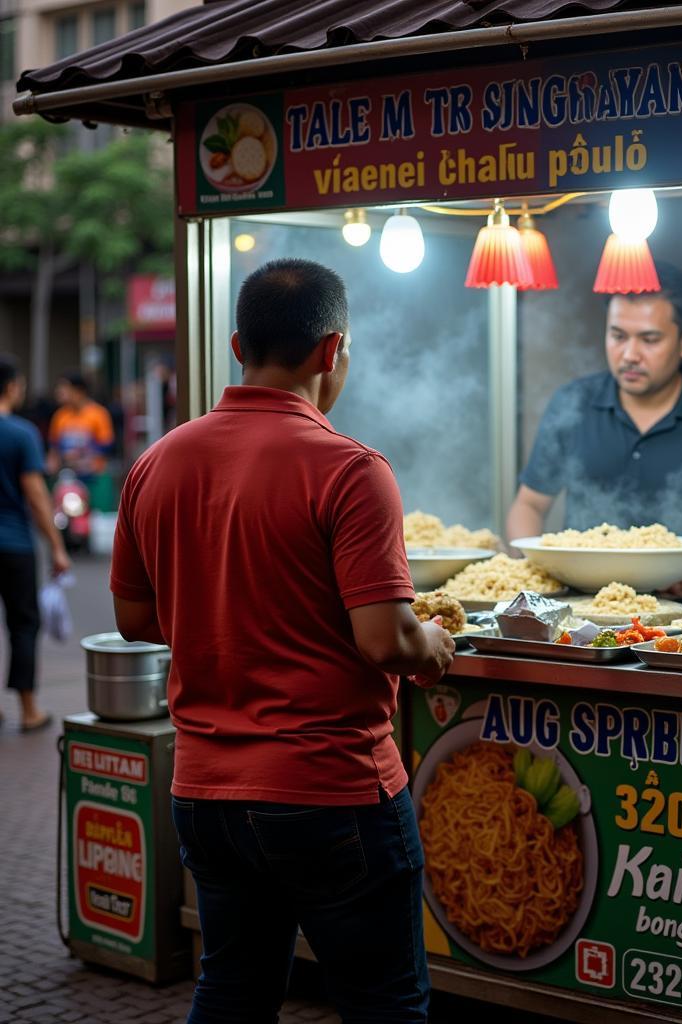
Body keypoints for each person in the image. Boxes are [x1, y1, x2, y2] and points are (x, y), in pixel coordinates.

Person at [110, 259, 454, 1023]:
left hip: (204, 794)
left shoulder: (155, 464)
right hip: (330, 790)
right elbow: (386, 642)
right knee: (384, 1004)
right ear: (333, 351)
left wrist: (231, 618)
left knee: (232, 989)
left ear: (237, 344)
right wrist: (431, 639)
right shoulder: (350, 468)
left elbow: (137, 619)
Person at [507, 262, 682, 601]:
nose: (630, 355)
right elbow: (529, 504)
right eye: (618, 336)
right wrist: (531, 570)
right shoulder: (572, 404)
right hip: (579, 612)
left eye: (649, 339)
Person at [0, 355, 71, 731]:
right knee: (24, 625)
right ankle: (29, 709)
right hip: (14, 544)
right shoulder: (21, 433)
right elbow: (36, 496)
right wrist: (57, 547)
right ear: (11, 386)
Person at [47, 371, 115, 481]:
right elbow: (54, 448)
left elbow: (106, 445)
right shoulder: (60, 416)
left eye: (64, 388)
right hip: (67, 477)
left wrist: (80, 454)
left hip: (94, 477)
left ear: (79, 390)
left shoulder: (98, 414)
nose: (58, 392)